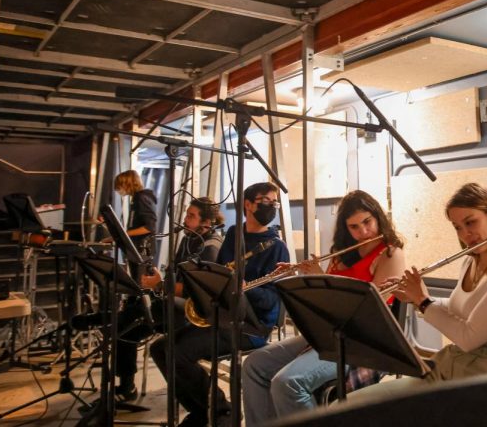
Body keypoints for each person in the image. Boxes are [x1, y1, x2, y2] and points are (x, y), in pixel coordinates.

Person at [348, 182, 487, 404]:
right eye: (457, 227)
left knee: (369, 411)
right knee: (351, 405)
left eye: (470, 222)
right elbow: (457, 308)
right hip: (458, 366)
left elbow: (469, 338)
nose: (466, 235)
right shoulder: (470, 262)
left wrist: (423, 302)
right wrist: (416, 297)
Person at [241, 190, 405, 425]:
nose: (363, 232)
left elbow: (370, 310)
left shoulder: (391, 253)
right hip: (329, 333)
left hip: (362, 341)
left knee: (288, 382)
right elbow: (326, 299)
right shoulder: (341, 255)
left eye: (367, 222)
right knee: (254, 365)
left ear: (378, 216)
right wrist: (309, 275)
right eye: (354, 227)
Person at [150, 182, 289, 427]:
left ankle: (219, 410)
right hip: (223, 316)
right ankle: (203, 409)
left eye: (274, 202)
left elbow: (271, 303)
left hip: (251, 326)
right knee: (161, 348)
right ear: (248, 204)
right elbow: (219, 274)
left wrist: (244, 286)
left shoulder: (277, 248)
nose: (271, 206)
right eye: (265, 201)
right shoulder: (234, 234)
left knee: (177, 351)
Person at [114, 197, 225, 402]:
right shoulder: (188, 239)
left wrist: (159, 285)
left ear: (206, 223)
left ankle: (126, 385)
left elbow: (197, 292)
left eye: (191, 216)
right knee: (127, 322)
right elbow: (177, 280)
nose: (184, 219)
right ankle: (126, 384)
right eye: (186, 214)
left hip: (193, 311)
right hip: (174, 303)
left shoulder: (211, 247)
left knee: (127, 322)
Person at [113, 169, 158, 270]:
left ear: (127, 183)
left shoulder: (141, 198)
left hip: (143, 250)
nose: (118, 189)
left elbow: (150, 227)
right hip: (138, 249)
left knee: (141, 282)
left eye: (120, 185)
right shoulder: (137, 198)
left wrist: (125, 234)